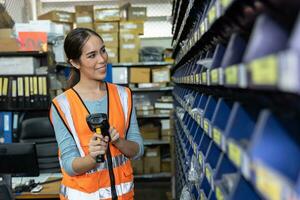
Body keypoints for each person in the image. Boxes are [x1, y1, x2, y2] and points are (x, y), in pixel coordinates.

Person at [49, 28, 144, 200]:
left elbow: (137, 150)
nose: (102, 59)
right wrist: (93, 158)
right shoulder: (62, 105)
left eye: (103, 50)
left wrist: (119, 142)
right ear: (75, 63)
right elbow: (69, 165)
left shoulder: (124, 95)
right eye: (92, 55)